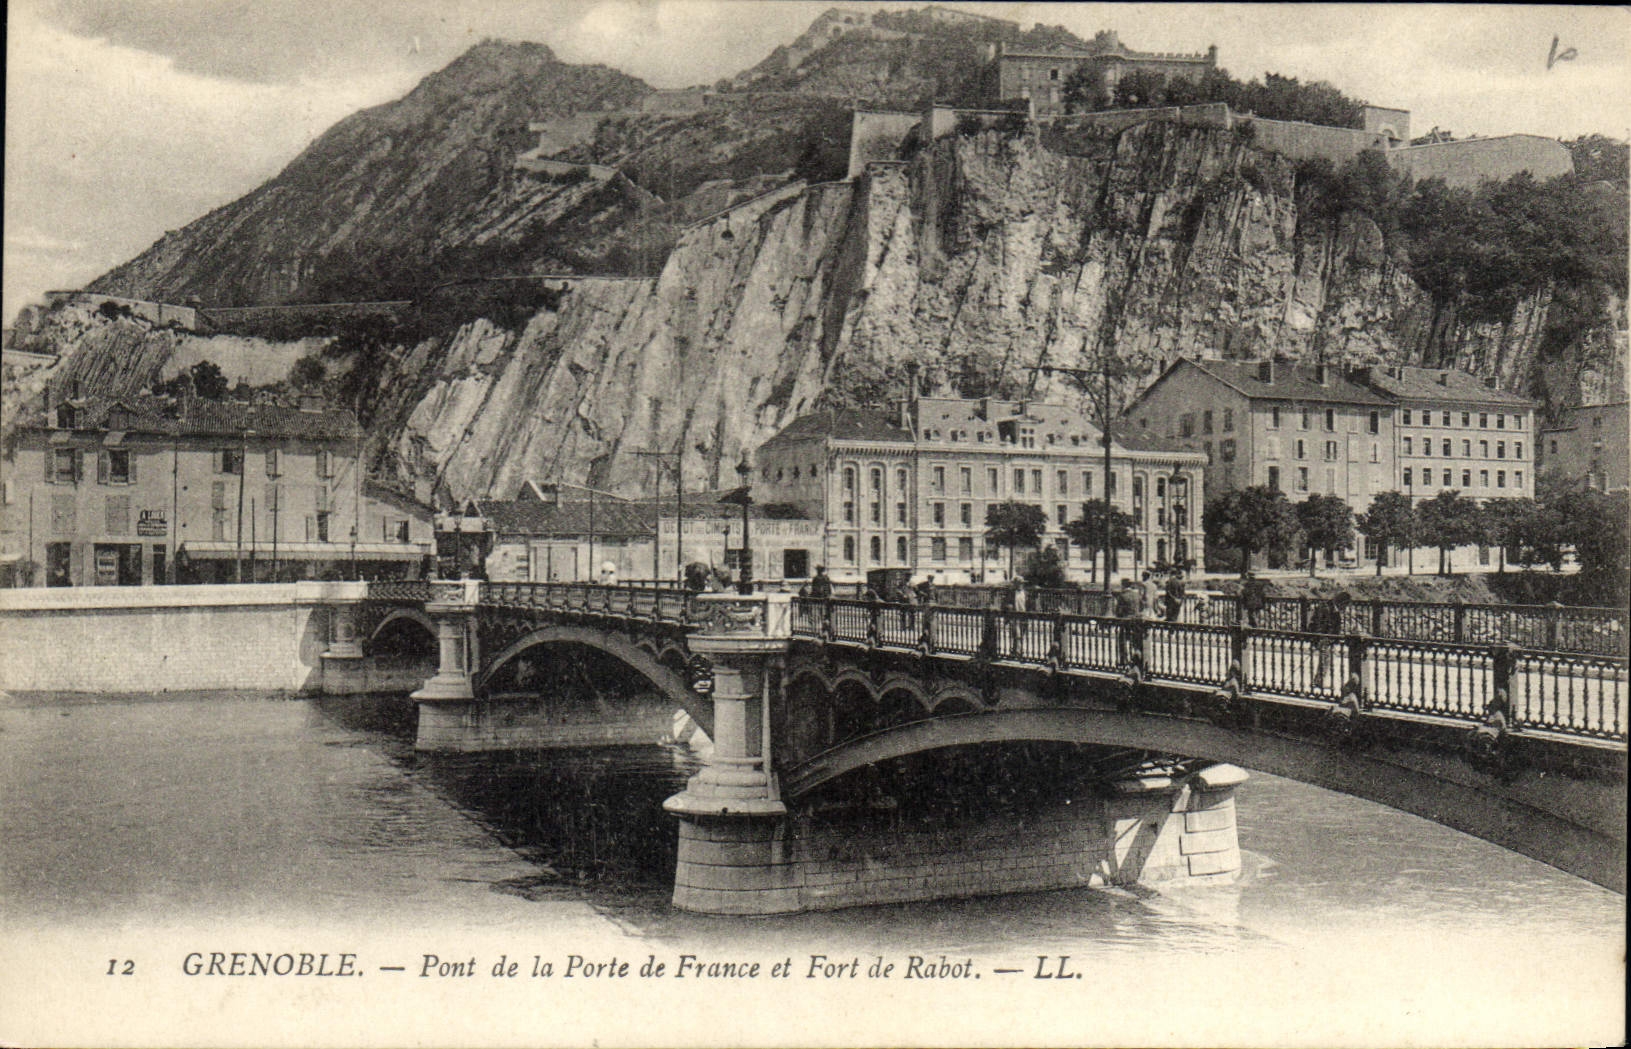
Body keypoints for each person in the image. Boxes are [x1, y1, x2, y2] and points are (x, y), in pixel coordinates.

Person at [1309, 590, 1350, 689]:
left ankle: (1318, 680)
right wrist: (1321, 638)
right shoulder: (1326, 608)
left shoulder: (1333, 608)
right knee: (1325, 659)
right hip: (1322, 639)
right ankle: (1318, 681)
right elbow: (1319, 624)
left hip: (1328, 639)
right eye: (1345, 605)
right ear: (1341, 602)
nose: (1344, 608)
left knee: (1326, 659)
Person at [1008, 579, 1028, 653]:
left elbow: (1029, 604)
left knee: (1022, 633)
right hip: (1015, 615)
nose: (1020, 585)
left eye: (1022, 583)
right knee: (1017, 633)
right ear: (1015, 584)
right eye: (1019, 583)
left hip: (1024, 615)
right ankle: (1018, 650)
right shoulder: (1012, 593)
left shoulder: (1025, 593)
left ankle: (1016, 649)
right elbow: (1007, 602)